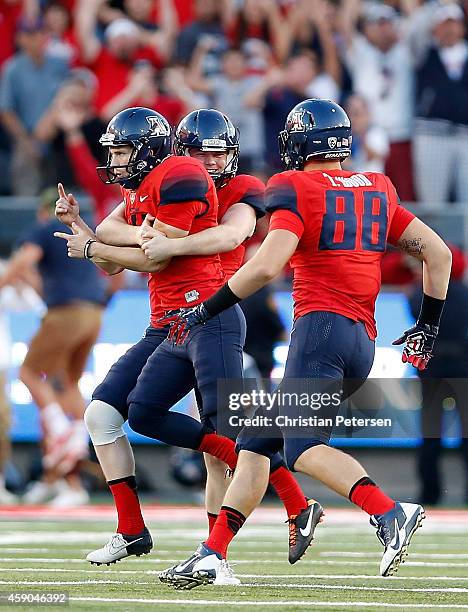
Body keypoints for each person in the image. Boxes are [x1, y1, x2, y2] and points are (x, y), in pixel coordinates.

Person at [160, 98, 452, 587]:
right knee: (256, 442)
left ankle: (388, 514)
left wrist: (205, 308)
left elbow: (268, 264)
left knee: (302, 449)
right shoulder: (378, 187)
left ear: (299, 144)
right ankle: (213, 553)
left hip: (320, 331)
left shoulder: (292, 185)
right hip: (361, 339)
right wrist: (428, 326)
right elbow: (438, 253)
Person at [55, 107, 319, 573]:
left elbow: (228, 234)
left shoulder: (231, 189)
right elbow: (118, 248)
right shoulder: (159, 184)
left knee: (226, 437)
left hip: (211, 310)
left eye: (219, 154)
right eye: (200, 154)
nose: (211, 164)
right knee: (109, 414)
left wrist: (155, 242)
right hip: (168, 321)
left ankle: (234, 543)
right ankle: (132, 529)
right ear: (178, 154)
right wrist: (99, 236)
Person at [2, 187, 106, 507]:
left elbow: (23, 262)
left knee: (30, 373)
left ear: (42, 211)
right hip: (94, 314)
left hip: (65, 313)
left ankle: (62, 435)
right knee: (67, 385)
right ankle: (66, 462)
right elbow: (111, 277)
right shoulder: (83, 231)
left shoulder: (45, 227)